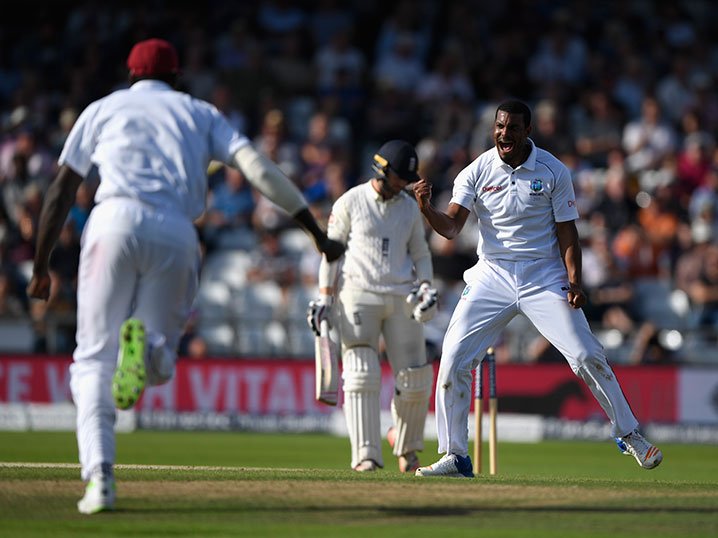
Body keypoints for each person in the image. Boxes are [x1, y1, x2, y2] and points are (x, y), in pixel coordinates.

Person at [26, 38, 344, 514]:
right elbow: (258, 169)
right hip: (177, 231)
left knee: (92, 359)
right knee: (163, 357)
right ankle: (150, 348)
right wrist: (314, 230)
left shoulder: (103, 108)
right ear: (176, 77)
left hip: (112, 219)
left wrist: (40, 266)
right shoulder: (200, 112)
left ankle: (100, 479)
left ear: (131, 75)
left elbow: (61, 189)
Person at [411, 99, 662, 477]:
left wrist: (574, 279)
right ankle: (455, 456)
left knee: (584, 354)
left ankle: (629, 434)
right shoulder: (477, 170)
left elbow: (568, 231)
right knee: (453, 358)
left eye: (512, 127)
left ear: (528, 131)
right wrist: (427, 209)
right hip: (492, 274)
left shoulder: (552, 170)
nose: (503, 134)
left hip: (543, 275)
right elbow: (450, 227)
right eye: (499, 126)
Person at [307, 140, 437, 473]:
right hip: (358, 295)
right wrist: (325, 296)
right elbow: (331, 253)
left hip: (400, 296)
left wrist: (425, 285)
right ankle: (366, 455)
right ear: (381, 169)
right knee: (362, 370)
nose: (403, 185)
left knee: (416, 378)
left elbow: (421, 253)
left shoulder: (409, 207)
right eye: (399, 178)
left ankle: (406, 448)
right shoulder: (351, 201)